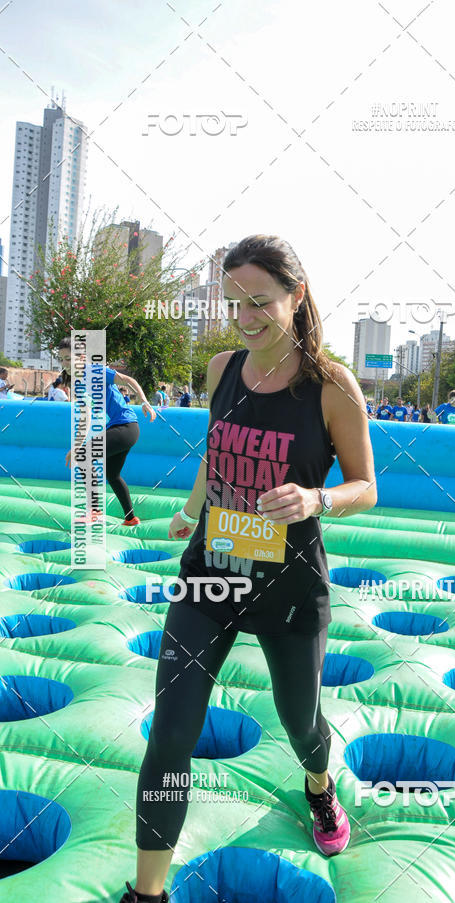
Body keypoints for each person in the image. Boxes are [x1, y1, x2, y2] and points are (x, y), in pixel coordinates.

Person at [120, 235, 377, 903]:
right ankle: (147, 893)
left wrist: (316, 497)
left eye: (260, 301)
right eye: (234, 302)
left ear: (296, 296)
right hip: (210, 572)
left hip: (289, 588)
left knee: (301, 724)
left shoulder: (331, 386)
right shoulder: (221, 369)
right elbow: (218, 448)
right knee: (172, 730)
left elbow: (365, 485)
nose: (246, 316)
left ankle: (320, 786)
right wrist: (191, 506)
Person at [56, 338, 157, 526]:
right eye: (61, 359)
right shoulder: (79, 383)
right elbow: (85, 418)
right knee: (112, 475)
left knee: (85, 458)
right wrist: (77, 446)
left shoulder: (94, 371)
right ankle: (130, 518)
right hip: (121, 429)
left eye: (68, 359)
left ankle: (94, 511)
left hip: (125, 427)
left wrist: (144, 402)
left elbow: (129, 380)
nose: (64, 364)